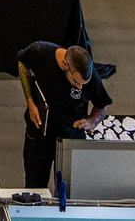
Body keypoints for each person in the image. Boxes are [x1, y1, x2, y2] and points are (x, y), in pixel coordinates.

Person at [17, 42, 110, 189]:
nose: (80, 87)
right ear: (64, 64)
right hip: (39, 135)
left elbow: (102, 105)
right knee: (34, 186)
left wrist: (92, 122)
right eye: (75, 81)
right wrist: (30, 101)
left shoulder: (91, 78)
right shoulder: (39, 52)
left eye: (83, 84)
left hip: (69, 139)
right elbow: (23, 65)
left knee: (69, 189)